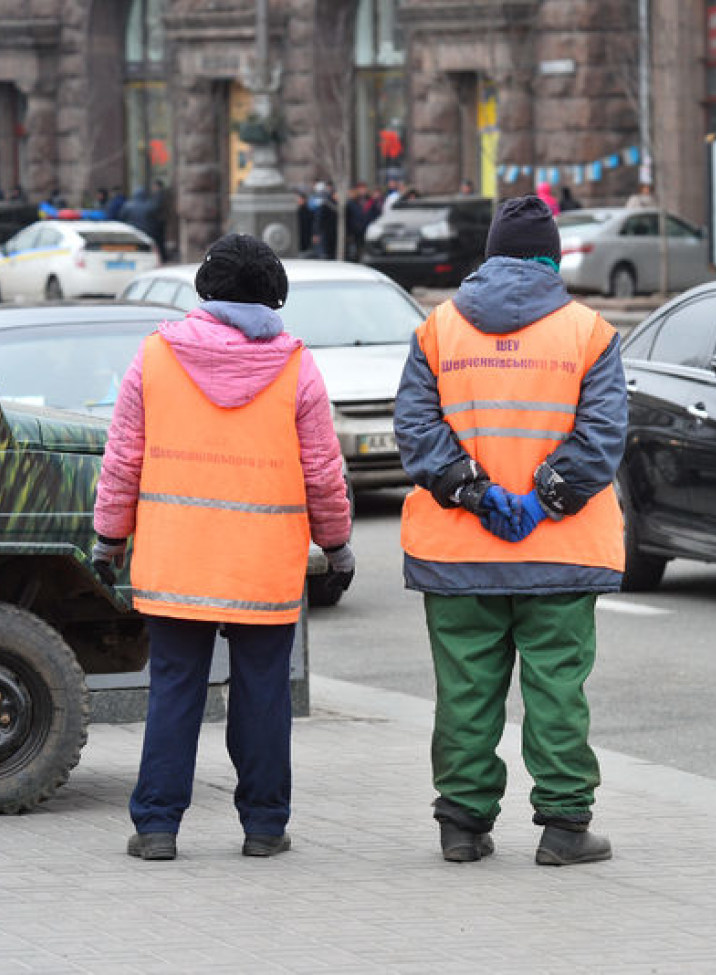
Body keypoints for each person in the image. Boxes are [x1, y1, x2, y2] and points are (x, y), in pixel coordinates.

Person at [91, 233, 353, 862]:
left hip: (177, 558)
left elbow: (123, 456)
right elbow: (321, 468)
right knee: (263, 690)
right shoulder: (295, 365)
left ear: (204, 291)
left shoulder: (155, 356)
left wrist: (108, 536)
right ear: (274, 296)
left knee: (175, 688)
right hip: (263, 564)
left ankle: (157, 826)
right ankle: (264, 827)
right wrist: (337, 544)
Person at [394, 195, 626, 867]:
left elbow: (416, 427)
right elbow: (602, 435)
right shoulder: (591, 332)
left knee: (466, 687)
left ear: (489, 254)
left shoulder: (437, 329)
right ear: (552, 256)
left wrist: (475, 491)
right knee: (555, 686)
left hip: (458, 551)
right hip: (559, 552)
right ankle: (562, 827)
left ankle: (462, 825)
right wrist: (543, 497)